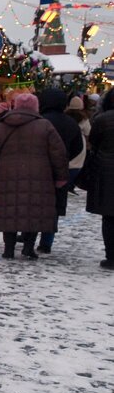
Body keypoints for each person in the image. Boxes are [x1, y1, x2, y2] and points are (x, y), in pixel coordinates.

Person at [0, 92, 69, 260]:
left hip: (6, 176)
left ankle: (8, 248)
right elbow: (59, 154)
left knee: (9, 211)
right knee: (34, 211)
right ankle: (28, 247)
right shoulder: (45, 126)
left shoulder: (1, 126)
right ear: (36, 107)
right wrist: (61, 177)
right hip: (40, 177)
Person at [37, 88, 84, 252]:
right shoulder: (71, 123)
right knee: (53, 208)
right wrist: (65, 160)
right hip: (60, 171)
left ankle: (29, 236)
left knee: (35, 204)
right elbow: (79, 147)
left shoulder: (39, 120)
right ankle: (46, 242)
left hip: (38, 170)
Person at [85, 88, 114, 270]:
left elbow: (94, 141)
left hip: (106, 171)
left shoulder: (102, 119)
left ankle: (111, 256)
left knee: (109, 217)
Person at [63, 94, 91, 193]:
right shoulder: (84, 118)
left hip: (66, 142)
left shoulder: (65, 117)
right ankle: (70, 183)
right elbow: (88, 132)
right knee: (76, 165)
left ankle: (66, 183)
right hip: (80, 144)